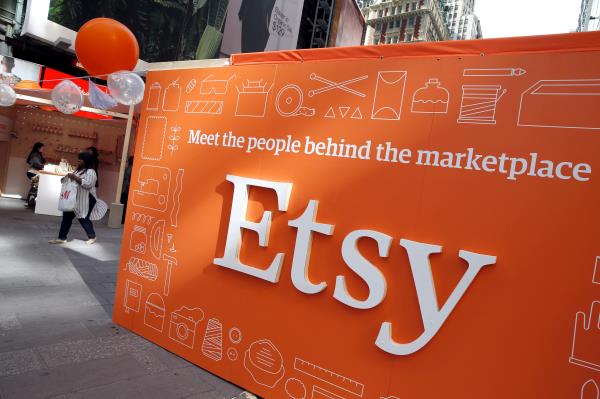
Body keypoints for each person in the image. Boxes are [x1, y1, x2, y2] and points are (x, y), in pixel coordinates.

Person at [49, 152, 101, 245]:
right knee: (67, 217)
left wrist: (75, 177)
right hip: (75, 198)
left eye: (81, 159)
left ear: (86, 161)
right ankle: (62, 238)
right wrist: (66, 178)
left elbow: (89, 184)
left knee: (83, 217)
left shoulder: (91, 172)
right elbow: (72, 181)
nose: (78, 161)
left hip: (87, 198)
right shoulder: (77, 170)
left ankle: (92, 236)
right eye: (78, 159)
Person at [120, 155, 134, 224]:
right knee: (126, 205)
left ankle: (122, 219)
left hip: (125, 189)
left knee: (124, 204)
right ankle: (124, 219)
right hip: (127, 189)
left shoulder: (127, 168)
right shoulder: (132, 169)